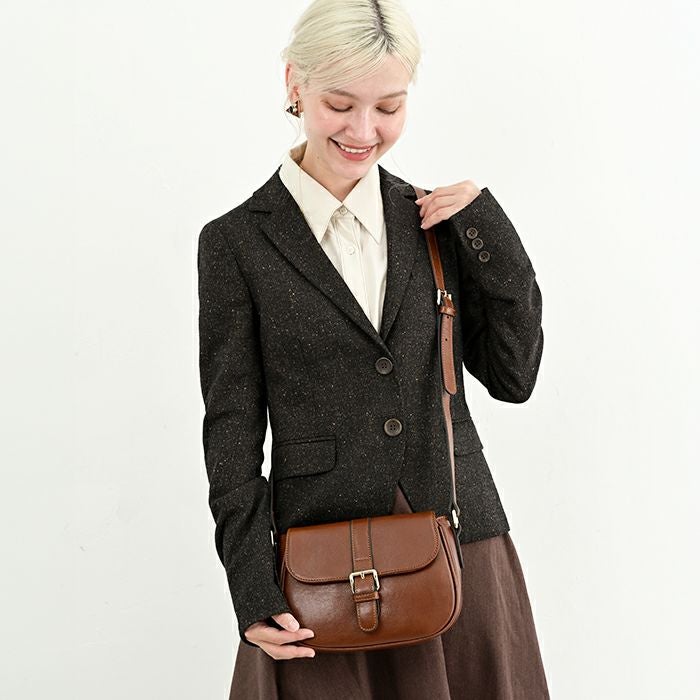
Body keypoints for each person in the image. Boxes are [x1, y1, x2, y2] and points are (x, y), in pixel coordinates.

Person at [197, 0, 550, 697]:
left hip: (459, 542)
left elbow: (514, 377)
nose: (364, 131)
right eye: (339, 104)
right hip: (321, 569)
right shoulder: (235, 243)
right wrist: (249, 584)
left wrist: (491, 232)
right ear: (294, 84)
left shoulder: (439, 222)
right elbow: (231, 429)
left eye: (389, 107)